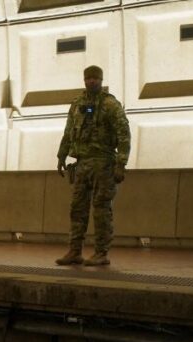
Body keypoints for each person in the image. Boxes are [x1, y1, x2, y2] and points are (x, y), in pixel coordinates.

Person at [56, 65, 131, 266]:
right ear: (84, 80)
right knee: (77, 208)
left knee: (101, 209)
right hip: (82, 164)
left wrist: (121, 164)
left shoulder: (111, 105)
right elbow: (68, 131)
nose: (91, 81)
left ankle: (101, 253)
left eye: (95, 78)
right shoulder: (77, 104)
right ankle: (75, 251)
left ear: (101, 80)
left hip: (103, 164)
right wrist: (62, 155)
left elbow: (124, 134)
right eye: (88, 78)